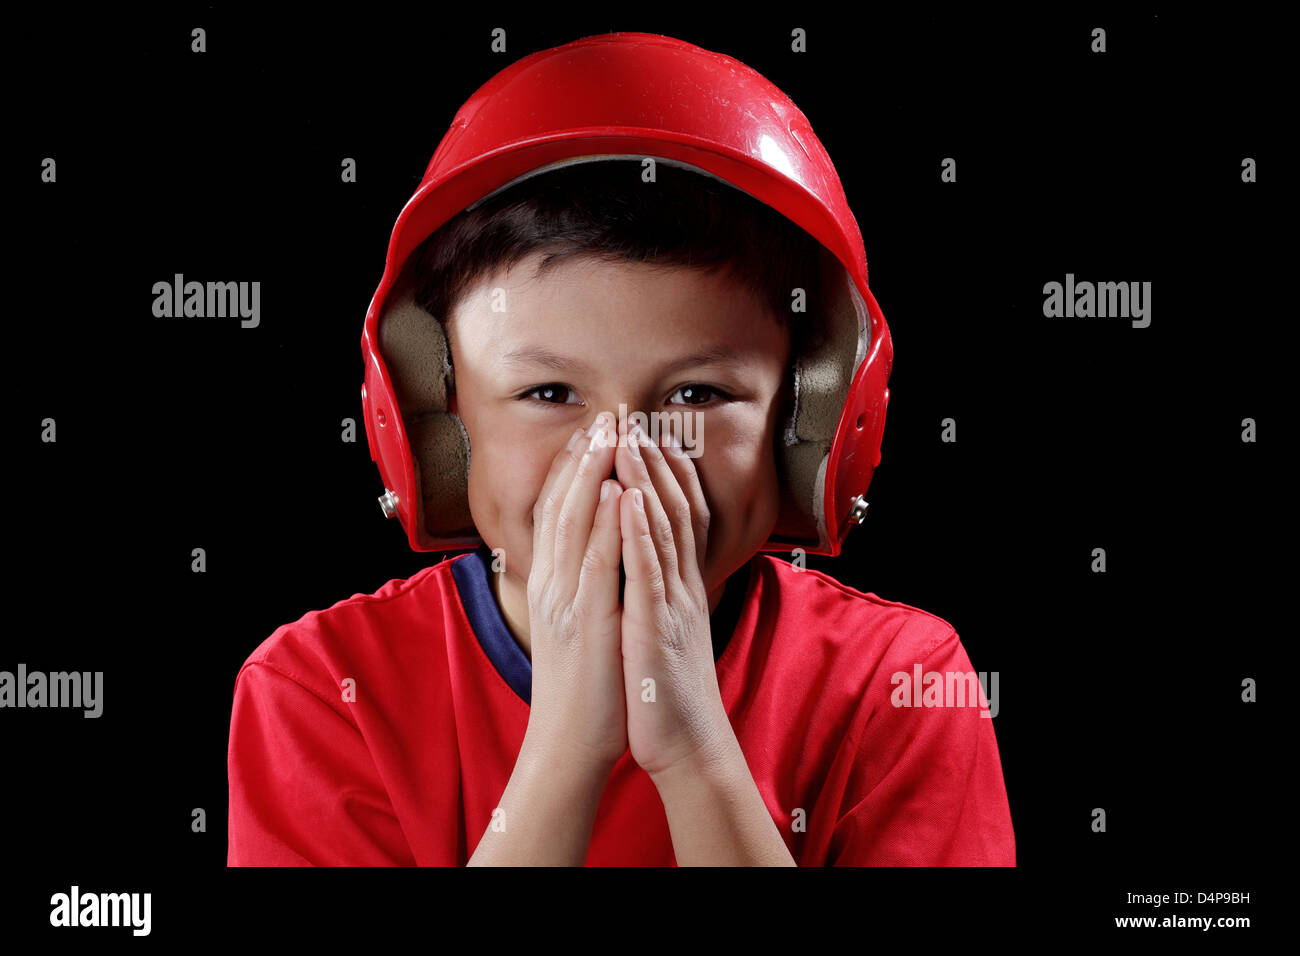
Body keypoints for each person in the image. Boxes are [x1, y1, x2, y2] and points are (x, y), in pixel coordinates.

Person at [227, 31, 1015, 866]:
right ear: (439, 416)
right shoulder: (318, 688)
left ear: (805, 414)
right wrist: (569, 743)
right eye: (550, 396)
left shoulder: (903, 680)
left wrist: (692, 747)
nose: (621, 463)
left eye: (695, 396)